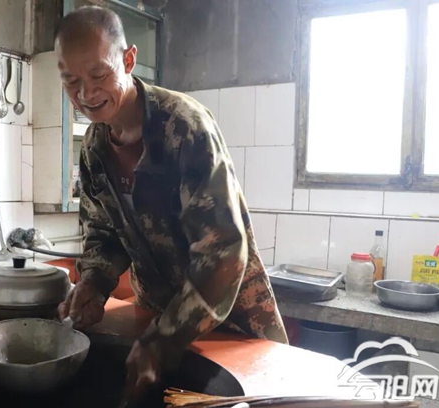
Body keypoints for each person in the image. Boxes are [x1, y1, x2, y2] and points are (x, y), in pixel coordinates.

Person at [54, 5, 288, 399]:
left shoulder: (184, 126)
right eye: (71, 81)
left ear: (128, 60)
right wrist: (93, 284)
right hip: (158, 320)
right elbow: (103, 235)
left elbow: (223, 254)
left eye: (98, 75)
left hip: (230, 326)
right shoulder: (95, 146)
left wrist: (165, 339)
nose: (86, 94)